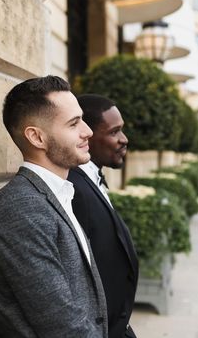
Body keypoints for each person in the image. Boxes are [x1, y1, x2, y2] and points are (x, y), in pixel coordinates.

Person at [0, 77, 108, 338]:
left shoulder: (57, 192)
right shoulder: (20, 208)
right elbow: (61, 325)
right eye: (74, 123)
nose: (88, 131)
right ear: (37, 137)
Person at [68, 94, 139, 338]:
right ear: (86, 135)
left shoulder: (90, 179)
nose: (124, 139)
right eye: (114, 132)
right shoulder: (74, 188)